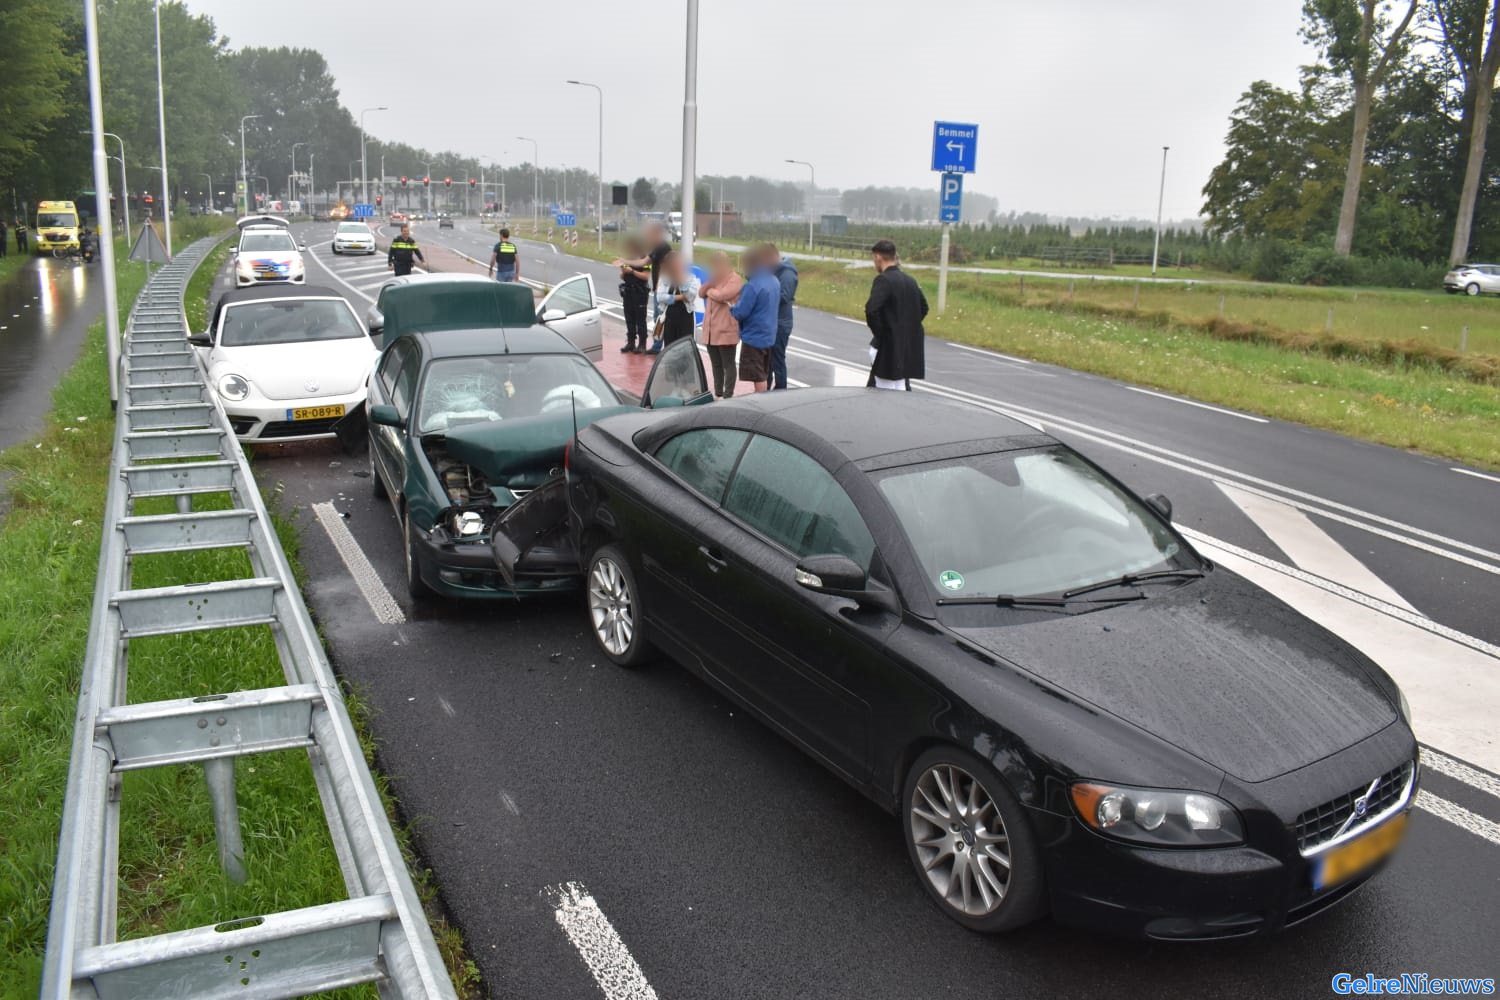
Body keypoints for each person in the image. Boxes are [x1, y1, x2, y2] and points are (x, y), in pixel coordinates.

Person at [864, 239, 928, 390]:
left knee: (881, 395)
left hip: (888, 349)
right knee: (901, 392)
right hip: (907, 350)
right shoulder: (911, 281)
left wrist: (884, 334)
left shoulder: (884, 280)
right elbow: (924, 307)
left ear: (878, 257)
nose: (875, 264)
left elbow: (872, 310)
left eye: (874, 259)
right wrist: (906, 328)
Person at [612, 221, 673, 353]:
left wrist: (631, 269)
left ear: (657, 233)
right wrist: (624, 262)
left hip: (661, 289)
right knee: (657, 318)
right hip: (657, 289)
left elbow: (645, 268)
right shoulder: (656, 249)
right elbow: (645, 261)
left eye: (649, 234)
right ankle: (654, 345)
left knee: (661, 318)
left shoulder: (663, 248)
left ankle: (657, 346)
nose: (648, 237)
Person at [730, 246, 780, 393]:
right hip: (769, 335)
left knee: (758, 376)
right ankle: (762, 397)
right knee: (764, 372)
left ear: (749, 264)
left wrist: (732, 307)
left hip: (754, 337)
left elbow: (741, 312)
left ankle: (760, 401)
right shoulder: (774, 281)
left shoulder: (752, 286)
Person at [701, 250, 744, 397]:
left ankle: (728, 394)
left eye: (718, 264)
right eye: (714, 264)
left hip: (726, 330)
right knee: (716, 364)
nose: (715, 267)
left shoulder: (735, 279)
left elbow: (722, 296)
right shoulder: (713, 278)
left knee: (728, 364)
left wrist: (710, 291)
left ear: (725, 263)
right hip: (711, 331)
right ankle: (718, 393)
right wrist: (710, 285)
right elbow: (701, 293)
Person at [653, 250, 700, 347]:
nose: (676, 266)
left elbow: (690, 297)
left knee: (685, 346)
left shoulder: (691, 278)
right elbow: (660, 297)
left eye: (678, 263)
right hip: (670, 317)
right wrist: (679, 297)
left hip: (686, 317)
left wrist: (680, 280)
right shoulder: (665, 278)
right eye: (673, 263)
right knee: (669, 347)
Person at [769, 246, 798, 389]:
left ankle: (781, 389)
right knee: (768, 360)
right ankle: (766, 389)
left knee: (777, 359)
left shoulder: (787, 273)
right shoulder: (773, 270)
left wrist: (765, 294)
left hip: (781, 322)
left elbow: (785, 296)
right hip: (772, 321)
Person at [617, 236, 651, 353]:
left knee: (640, 319)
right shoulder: (628, 259)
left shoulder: (644, 259)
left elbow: (646, 276)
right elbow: (622, 276)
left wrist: (632, 271)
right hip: (628, 291)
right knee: (629, 317)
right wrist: (623, 271)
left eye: (630, 248)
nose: (629, 250)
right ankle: (631, 342)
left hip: (640, 292)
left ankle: (642, 344)